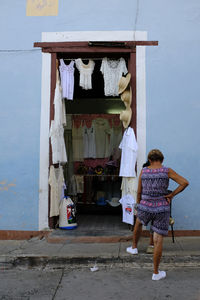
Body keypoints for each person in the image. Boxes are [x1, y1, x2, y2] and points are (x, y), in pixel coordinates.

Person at [126, 149, 189, 280]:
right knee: (158, 240)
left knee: (138, 223)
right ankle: (155, 273)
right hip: (161, 208)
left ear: (149, 160)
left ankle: (134, 247)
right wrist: (171, 194)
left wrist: (139, 205)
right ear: (162, 160)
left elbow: (139, 192)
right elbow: (184, 182)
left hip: (145, 206)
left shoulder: (144, 171)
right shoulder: (167, 170)